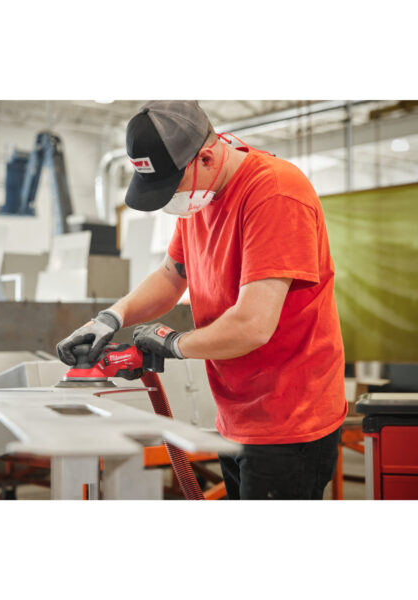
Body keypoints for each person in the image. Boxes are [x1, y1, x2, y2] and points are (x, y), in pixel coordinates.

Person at [56, 100, 347, 500]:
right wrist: (110, 317)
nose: (172, 201)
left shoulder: (275, 193)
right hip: (236, 410)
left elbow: (253, 325)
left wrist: (173, 344)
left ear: (206, 158)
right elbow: (170, 276)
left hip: (288, 419)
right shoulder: (201, 195)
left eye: (172, 187)